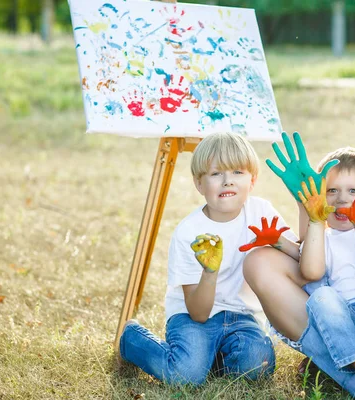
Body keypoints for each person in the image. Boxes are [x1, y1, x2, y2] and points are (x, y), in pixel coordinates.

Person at [119, 131, 297, 385]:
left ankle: (210, 356)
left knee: (257, 367)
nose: (228, 181)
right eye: (216, 174)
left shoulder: (261, 212)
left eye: (238, 172)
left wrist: (280, 241)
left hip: (241, 316)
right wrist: (209, 272)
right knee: (186, 376)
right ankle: (132, 340)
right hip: (192, 318)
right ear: (199, 184)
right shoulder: (189, 232)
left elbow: (300, 260)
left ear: (253, 180)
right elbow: (198, 313)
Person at [246, 146, 355, 399]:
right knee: (321, 297)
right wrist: (314, 221)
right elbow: (311, 271)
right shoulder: (324, 236)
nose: (342, 199)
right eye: (331, 191)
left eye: (353, 191)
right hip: (351, 328)